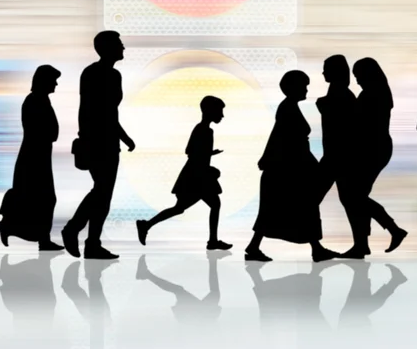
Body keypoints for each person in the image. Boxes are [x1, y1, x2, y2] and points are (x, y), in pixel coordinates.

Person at [245, 70, 339, 262]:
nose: (306, 89)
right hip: (289, 168)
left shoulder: (288, 107)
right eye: (303, 86)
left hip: (290, 167)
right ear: (293, 87)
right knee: (301, 207)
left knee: (290, 208)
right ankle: (315, 249)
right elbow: (284, 139)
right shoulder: (287, 108)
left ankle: (315, 248)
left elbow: (277, 135)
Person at [62, 31, 135, 260]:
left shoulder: (112, 74)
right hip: (98, 141)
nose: (123, 48)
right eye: (119, 44)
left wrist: (123, 138)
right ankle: (74, 229)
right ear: (107, 48)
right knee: (101, 191)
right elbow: (97, 111)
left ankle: (92, 243)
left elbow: (110, 113)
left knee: (103, 195)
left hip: (107, 140)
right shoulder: (98, 74)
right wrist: (120, 137)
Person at [136, 96, 232, 251]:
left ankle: (146, 225)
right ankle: (146, 225)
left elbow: (193, 151)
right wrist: (210, 166)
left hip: (197, 175)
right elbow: (192, 153)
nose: (221, 115)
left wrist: (209, 153)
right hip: (197, 176)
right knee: (189, 207)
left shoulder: (203, 129)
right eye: (219, 111)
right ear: (210, 111)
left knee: (201, 205)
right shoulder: (204, 130)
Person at [342, 57, 407, 258]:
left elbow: (358, 124)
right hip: (378, 148)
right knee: (357, 197)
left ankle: (392, 230)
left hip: (371, 149)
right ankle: (362, 244)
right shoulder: (381, 93)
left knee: (354, 197)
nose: (357, 80)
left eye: (358, 76)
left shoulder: (370, 95)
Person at [0, 65, 64, 251]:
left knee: (38, 198)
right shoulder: (35, 101)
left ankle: (39, 237)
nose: (56, 84)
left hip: (38, 155)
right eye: (53, 80)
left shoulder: (40, 100)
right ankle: (37, 237)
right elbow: (45, 131)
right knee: (43, 198)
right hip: (34, 157)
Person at [315, 55, 359, 253]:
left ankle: (317, 246)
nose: (323, 73)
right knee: (349, 200)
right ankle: (361, 244)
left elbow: (340, 122)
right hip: (338, 156)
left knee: (312, 198)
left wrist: (322, 104)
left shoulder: (342, 94)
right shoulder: (339, 92)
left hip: (336, 156)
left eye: (326, 69)